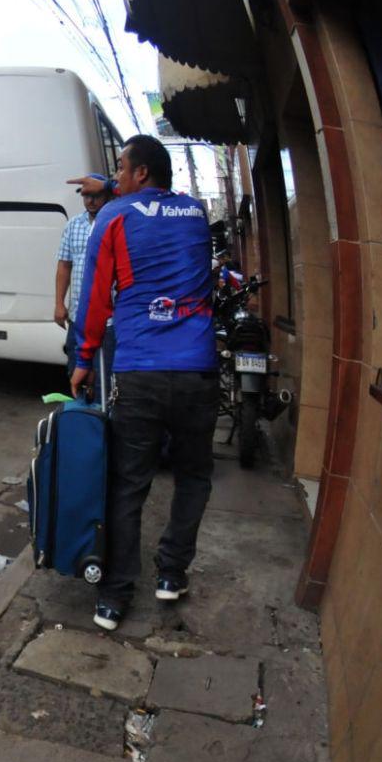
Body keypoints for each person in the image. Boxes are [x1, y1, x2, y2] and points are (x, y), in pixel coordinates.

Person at [69, 135, 219, 632]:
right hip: (198, 369)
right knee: (193, 476)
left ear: (138, 176)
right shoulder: (197, 214)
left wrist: (83, 355)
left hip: (140, 370)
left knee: (129, 483)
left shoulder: (113, 217)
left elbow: (94, 297)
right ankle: (171, 574)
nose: (115, 178)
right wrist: (114, 181)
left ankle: (114, 596)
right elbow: (154, 197)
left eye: (121, 169)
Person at [55, 174, 115, 379]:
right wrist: (59, 304)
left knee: (105, 377)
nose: (90, 201)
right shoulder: (73, 225)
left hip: (109, 320)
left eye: (96, 195)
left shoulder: (115, 223)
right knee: (76, 373)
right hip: (78, 316)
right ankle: (83, 411)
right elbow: (64, 265)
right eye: (86, 196)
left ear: (107, 194)